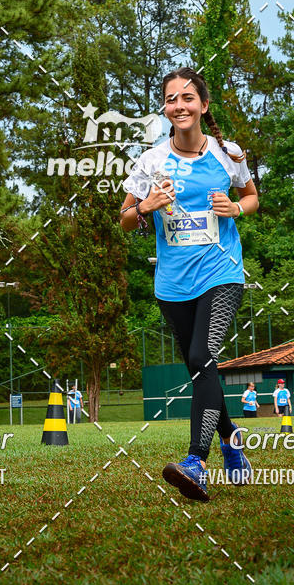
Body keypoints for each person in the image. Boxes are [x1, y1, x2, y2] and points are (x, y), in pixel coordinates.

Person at [120, 67, 259, 502]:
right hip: (173, 285)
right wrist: (145, 205)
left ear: (203, 105)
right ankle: (232, 441)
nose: (178, 106)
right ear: (164, 108)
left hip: (222, 275)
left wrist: (236, 208)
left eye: (187, 98)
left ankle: (195, 463)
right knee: (202, 370)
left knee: (201, 356)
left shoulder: (228, 153)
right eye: (170, 99)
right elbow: (124, 220)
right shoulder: (151, 160)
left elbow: (252, 196)